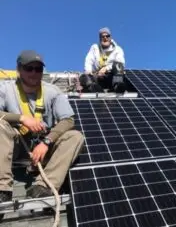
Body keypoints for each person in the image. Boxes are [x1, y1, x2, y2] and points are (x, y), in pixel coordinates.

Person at [0, 50, 84, 202]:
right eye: (28, 68)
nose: (34, 73)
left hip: (43, 148)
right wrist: (22, 118)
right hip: (16, 146)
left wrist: (46, 142)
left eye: (38, 69)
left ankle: (44, 186)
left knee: (75, 136)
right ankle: (3, 190)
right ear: (19, 69)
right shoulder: (5, 89)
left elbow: (68, 120)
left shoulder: (53, 92)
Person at [80, 27, 126, 93]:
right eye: (102, 36)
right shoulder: (95, 47)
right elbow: (88, 60)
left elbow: (121, 62)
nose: (105, 38)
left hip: (112, 76)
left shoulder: (118, 49)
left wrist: (106, 68)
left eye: (107, 36)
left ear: (110, 38)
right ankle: (96, 90)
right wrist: (88, 71)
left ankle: (117, 86)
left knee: (118, 65)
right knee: (84, 77)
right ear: (100, 39)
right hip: (98, 77)